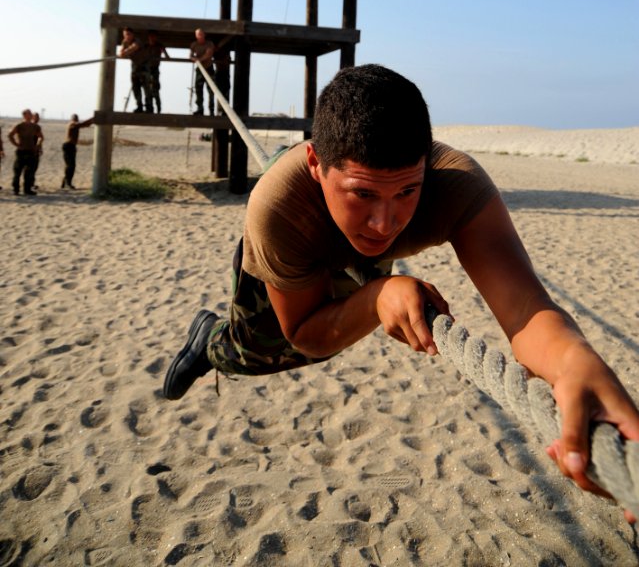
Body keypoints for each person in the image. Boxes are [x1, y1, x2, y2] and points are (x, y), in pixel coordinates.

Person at [164, 64, 639, 515]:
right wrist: (377, 297)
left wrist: (574, 361)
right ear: (315, 162)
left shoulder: (458, 186)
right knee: (256, 352)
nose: (384, 223)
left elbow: (525, 307)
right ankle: (206, 340)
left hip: (338, 242)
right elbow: (305, 334)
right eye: (363, 193)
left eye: (407, 192)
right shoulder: (279, 208)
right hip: (298, 239)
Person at [8, 108, 43, 196]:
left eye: (31, 114)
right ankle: (16, 189)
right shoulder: (19, 125)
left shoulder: (35, 127)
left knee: (29, 172)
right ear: (24, 115)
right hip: (21, 151)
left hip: (31, 151)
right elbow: (10, 135)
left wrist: (38, 145)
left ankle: (27, 189)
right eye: (29, 114)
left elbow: (41, 137)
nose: (31, 115)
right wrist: (16, 144)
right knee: (18, 171)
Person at [118, 27, 152, 113]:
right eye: (125, 35)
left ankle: (149, 107)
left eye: (128, 34)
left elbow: (133, 48)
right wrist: (123, 52)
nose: (127, 37)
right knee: (135, 87)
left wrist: (124, 52)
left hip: (144, 65)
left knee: (146, 87)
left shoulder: (137, 41)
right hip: (135, 65)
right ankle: (139, 106)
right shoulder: (124, 42)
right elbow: (121, 52)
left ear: (132, 35)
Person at [61, 114, 95, 189]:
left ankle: (65, 182)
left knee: (69, 165)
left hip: (71, 146)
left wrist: (91, 121)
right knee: (71, 165)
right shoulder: (72, 124)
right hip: (69, 146)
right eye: (75, 118)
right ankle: (67, 183)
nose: (77, 120)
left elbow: (85, 125)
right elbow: (82, 124)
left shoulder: (76, 125)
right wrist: (93, 118)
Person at [189, 28, 216, 116]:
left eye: (201, 34)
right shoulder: (194, 45)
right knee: (198, 89)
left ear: (204, 35)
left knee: (211, 90)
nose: (200, 36)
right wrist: (194, 59)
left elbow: (209, 54)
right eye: (198, 34)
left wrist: (199, 59)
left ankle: (211, 110)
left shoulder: (209, 44)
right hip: (200, 70)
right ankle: (200, 109)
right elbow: (190, 56)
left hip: (209, 69)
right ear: (196, 36)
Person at [146, 31, 169, 114]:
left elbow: (167, 56)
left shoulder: (159, 45)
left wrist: (162, 52)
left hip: (155, 69)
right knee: (147, 89)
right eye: (151, 36)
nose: (152, 38)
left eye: (153, 36)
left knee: (155, 89)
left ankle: (158, 109)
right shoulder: (146, 46)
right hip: (146, 69)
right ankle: (149, 108)